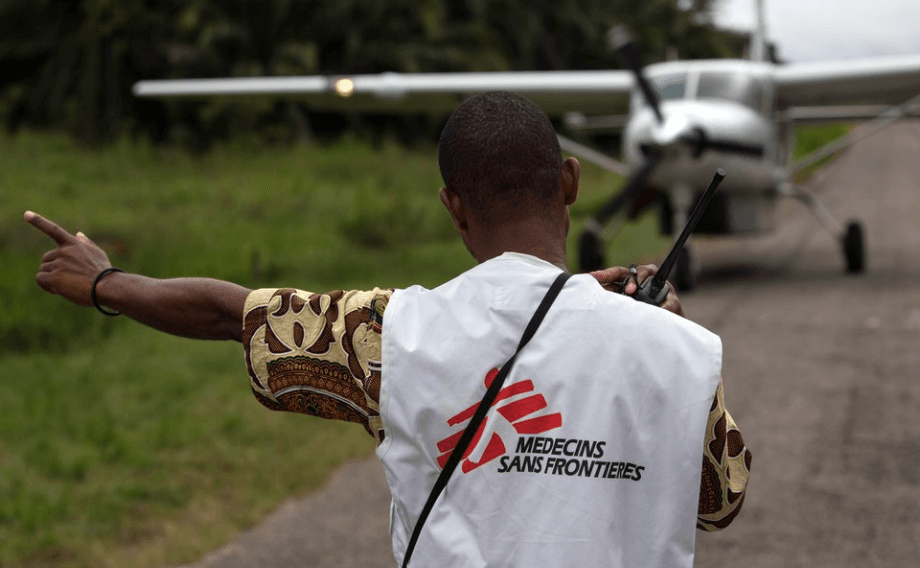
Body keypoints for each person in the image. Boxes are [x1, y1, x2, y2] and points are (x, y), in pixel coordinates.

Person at [26, 91, 750, 567]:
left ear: (452, 206)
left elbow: (230, 312)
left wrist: (103, 282)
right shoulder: (674, 347)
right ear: (567, 183)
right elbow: (720, 498)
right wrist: (659, 330)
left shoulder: (388, 335)